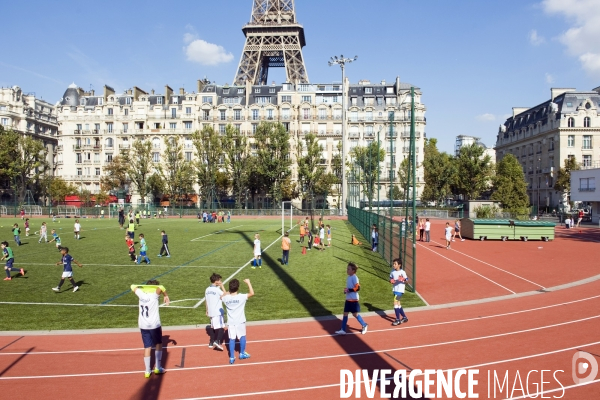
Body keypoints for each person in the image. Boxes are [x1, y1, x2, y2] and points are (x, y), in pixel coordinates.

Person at [131, 280, 169, 378]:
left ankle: (147, 371)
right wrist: (165, 295)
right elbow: (161, 287)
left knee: (147, 346)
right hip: (154, 324)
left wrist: (140, 285)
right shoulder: (154, 295)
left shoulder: (141, 294)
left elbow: (132, 285)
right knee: (158, 344)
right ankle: (158, 367)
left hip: (143, 325)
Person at [222, 278, 254, 364]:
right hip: (240, 321)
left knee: (231, 339)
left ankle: (232, 357)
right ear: (238, 288)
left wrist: (228, 292)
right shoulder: (241, 297)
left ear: (230, 288)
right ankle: (242, 353)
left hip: (231, 322)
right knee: (242, 336)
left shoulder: (226, 298)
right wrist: (248, 283)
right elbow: (252, 293)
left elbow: (221, 297)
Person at [335, 262, 368, 335]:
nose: (347, 270)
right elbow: (350, 288)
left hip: (353, 299)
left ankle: (364, 325)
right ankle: (343, 329)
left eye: (348, 269)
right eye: (347, 268)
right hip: (348, 299)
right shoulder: (349, 277)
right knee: (345, 313)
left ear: (353, 271)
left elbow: (358, 288)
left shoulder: (354, 277)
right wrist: (346, 291)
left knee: (355, 314)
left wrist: (349, 290)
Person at [205, 273, 226, 351]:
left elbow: (206, 300)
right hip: (217, 311)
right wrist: (222, 286)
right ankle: (218, 341)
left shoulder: (207, 289)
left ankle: (211, 342)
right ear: (216, 281)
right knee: (221, 327)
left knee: (212, 326)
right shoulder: (217, 289)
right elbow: (226, 294)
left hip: (211, 311)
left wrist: (206, 310)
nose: (220, 281)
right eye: (220, 280)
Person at [389, 258, 409, 326]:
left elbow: (406, 281)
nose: (393, 265)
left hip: (400, 290)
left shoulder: (402, 272)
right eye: (393, 264)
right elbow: (391, 279)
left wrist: (403, 279)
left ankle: (397, 319)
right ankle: (404, 317)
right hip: (395, 289)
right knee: (398, 304)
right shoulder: (392, 271)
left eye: (395, 264)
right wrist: (391, 281)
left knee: (395, 303)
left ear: (399, 265)